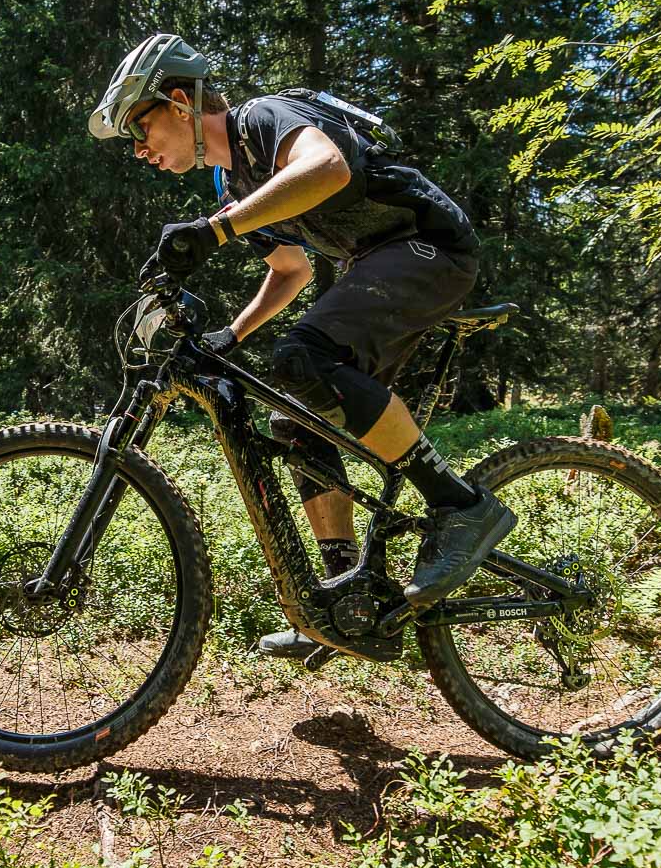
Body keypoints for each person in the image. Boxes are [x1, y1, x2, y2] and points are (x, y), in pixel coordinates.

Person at [87, 32, 515, 658]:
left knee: (302, 358)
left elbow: (328, 168)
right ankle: (343, 598)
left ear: (180, 102)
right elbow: (291, 271)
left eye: (140, 127)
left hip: (430, 249)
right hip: (378, 264)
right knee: (296, 420)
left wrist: (216, 232)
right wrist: (229, 334)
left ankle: (460, 504)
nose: (138, 149)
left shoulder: (263, 119)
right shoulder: (231, 187)